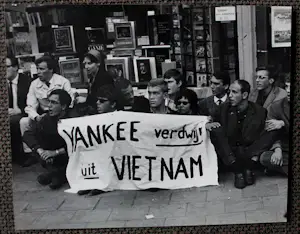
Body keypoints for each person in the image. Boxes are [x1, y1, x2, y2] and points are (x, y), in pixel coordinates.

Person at [206, 80, 268, 189]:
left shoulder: (259, 111)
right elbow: (211, 121)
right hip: (230, 152)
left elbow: (258, 136)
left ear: (244, 95)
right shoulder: (223, 109)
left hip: (249, 151)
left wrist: (254, 157)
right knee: (216, 130)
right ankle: (238, 171)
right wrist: (208, 124)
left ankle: (249, 167)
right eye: (229, 92)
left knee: (272, 130)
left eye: (234, 92)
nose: (230, 95)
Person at [20, 55, 74, 167]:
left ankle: (56, 157)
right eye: (37, 68)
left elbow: (70, 102)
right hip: (42, 115)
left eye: (42, 69)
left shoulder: (62, 81)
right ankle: (33, 154)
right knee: (24, 122)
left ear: (51, 70)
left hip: (59, 115)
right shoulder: (34, 84)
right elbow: (30, 106)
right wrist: (37, 117)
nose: (38, 72)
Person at [23, 89, 72, 190]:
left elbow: (77, 142)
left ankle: (57, 175)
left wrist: (56, 152)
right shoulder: (46, 118)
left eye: (54, 103)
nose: (49, 106)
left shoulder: (73, 119)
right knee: (38, 143)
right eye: (49, 102)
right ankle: (57, 174)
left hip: (68, 155)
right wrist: (41, 151)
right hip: (51, 157)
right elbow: (28, 134)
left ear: (63, 106)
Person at [77, 84, 119, 196]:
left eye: (102, 101)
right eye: (97, 100)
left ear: (113, 104)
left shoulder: (122, 118)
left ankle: (103, 183)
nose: (97, 103)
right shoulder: (95, 118)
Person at [6, 57, 31, 165]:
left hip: (23, 113)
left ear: (15, 67)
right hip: (8, 114)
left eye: (6, 67)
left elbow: (33, 103)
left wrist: (19, 110)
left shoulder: (27, 81)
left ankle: (21, 155)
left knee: (14, 122)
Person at [76, 49, 114, 115]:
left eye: (89, 63)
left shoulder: (104, 77)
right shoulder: (92, 76)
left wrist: (85, 99)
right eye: (85, 64)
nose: (86, 67)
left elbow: (102, 99)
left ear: (98, 63)